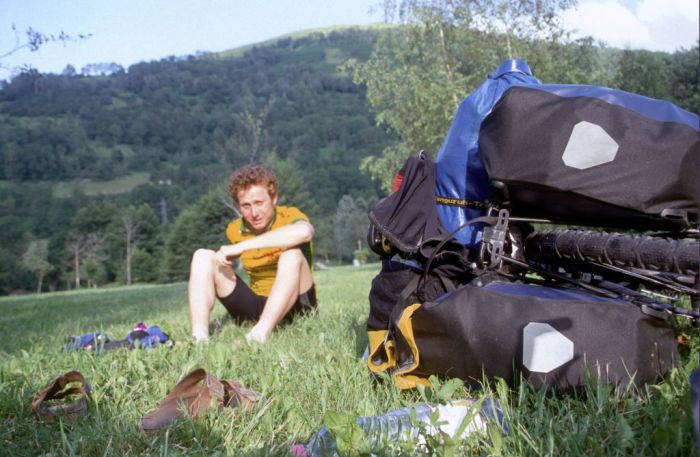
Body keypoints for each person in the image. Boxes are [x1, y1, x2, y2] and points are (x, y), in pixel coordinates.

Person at [188, 164, 316, 343]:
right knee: (202, 256)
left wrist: (241, 247)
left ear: (273, 199)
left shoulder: (290, 216)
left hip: (298, 307)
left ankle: (259, 335)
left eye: (259, 203)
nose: (254, 213)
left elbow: (305, 232)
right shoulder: (234, 230)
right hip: (257, 306)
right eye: (246, 206)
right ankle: (199, 337)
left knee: (292, 254)